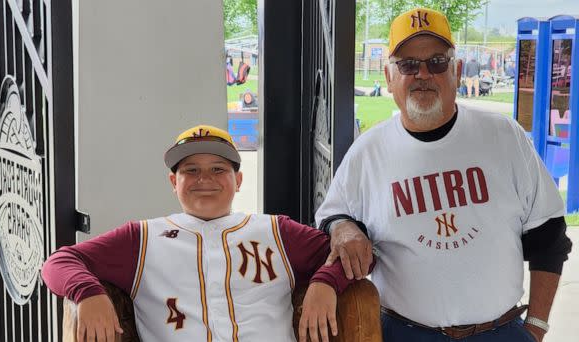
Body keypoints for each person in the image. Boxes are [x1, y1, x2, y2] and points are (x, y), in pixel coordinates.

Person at [316, 7, 572, 342]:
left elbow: (549, 236)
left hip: (500, 332)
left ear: (458, 71)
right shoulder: (368, 151)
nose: (423, 74)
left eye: (437, 62)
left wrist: (536, 327)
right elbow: (333, 213)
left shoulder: (504, 136)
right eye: (408, 64)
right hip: (404, 333)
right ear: (388, 76)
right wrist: (343, 226)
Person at [42, 125, 373, 342]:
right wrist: (87, 292)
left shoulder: (276, 231)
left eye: (218, 169)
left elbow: (358, 257)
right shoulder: (142, 238)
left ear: (238, 181)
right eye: (191, 171)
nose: (205, 179)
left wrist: (325, 282)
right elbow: (60, 261)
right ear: (174, 183)